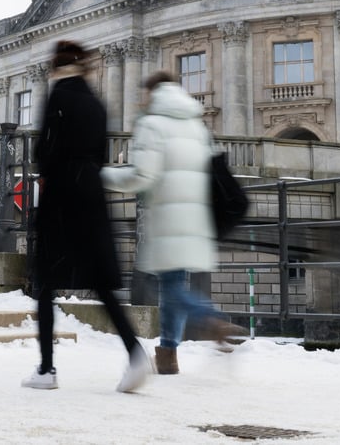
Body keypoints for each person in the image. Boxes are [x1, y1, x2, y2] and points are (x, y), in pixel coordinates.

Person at [23, 39, 151, 393]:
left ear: (57, 67)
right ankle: (135, 352)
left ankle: (46, 368)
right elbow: (101, 151)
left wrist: (49, 166)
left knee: (46, 283)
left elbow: (44, 150)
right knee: (101, 283)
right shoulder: (96, 103)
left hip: (62, 196)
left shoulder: (59, 96)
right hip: (92, 193)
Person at [102, 72, 245, 375]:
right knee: (173, 284)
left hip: (167, 215)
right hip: (197, 216)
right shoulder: (196, 125)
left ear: (152, 93)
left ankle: (212, 320)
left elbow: (142, 175)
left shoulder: (151, 124)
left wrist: (101, 175)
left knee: (171, 286)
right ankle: (167, 353)